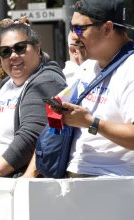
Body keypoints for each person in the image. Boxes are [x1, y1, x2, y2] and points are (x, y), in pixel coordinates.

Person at [26, 0, 134, 177]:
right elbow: (54, 122)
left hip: (113, 185)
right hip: (72, 180)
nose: (74, 36)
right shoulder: (88, 66)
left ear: (107, 29)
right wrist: (29, 175)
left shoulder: (131, 68)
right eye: (71, 27)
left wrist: (91, 123)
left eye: (80, 28)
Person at [0, 17, 67, 177]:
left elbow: (29, 139)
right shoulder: (2, 86)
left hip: (7, 179)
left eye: (20, 48)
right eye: (5, 51)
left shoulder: (47, 81)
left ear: (37, 50)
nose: (12, 56)